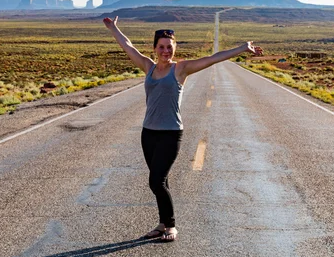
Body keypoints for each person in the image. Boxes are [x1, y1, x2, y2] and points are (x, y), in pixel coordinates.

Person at [103, 16, 263, 242]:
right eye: (161, 47)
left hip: (170, 134)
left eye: (169, 47)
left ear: (174, 48)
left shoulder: (180, 69)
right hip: (148, 133)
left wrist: (241, 49)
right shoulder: (147, 66)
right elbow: (127, 45)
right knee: (161, 180)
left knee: (156, 181)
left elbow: (213, 59)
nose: (165, 51)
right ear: (155, 48)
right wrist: (113, 28)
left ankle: (172, 226)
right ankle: (162, 223)